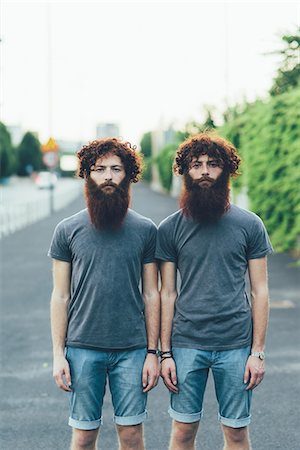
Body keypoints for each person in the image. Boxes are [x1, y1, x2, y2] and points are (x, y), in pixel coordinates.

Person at [156, 132, 273, 450]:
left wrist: (257, 352)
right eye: (196, 165)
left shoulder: (250, 225)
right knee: (182, 432)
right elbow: (167, 293)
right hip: (185, 345)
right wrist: (164, 353)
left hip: (236, 344)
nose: (205, 171)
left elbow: (260, 290)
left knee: (236, 433)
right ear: (185, 172)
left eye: (213, 164)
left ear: (226, 171)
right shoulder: (169, 229)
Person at [49, 137, 160, 450]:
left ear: (128, 175)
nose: (108, 176)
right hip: (82, 348)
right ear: (88, 175)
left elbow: (153, 294)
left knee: (131, 435)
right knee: (83, 437)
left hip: (133, 349)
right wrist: (59, 354)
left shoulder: (146, 230)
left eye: (116, 169)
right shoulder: (67, 230)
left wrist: (153, 352)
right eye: (99, 169)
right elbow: (60, 296)